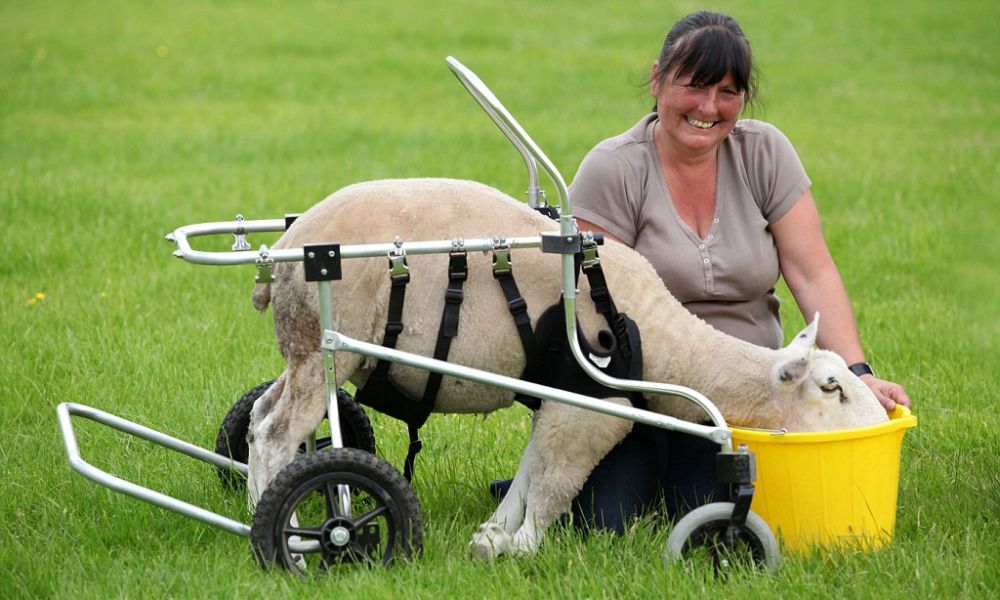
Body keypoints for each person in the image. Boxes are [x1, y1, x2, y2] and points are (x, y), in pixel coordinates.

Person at [493, 10, 911, 533]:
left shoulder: (766, 153)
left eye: (728, 91)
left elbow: (813, 271)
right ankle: (542, 481)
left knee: (709, 510)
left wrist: (858, 373)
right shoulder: (614, 168)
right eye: (693, 86)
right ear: (657, 79)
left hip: (747, 393)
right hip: (637, 395)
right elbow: (588, 306)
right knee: (604, 521)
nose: (709, 108)